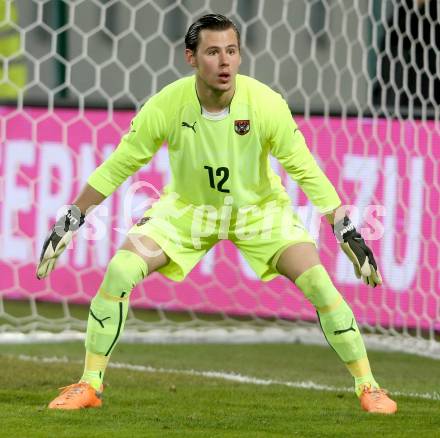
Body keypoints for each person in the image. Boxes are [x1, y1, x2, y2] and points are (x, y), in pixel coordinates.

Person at [37, 14, 397, 414]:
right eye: (212, 52)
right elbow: (119, 163)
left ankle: (370, 387)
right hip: (187, 209)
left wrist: (344, 228)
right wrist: (74, 215)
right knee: (121, 270)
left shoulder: (264, 104)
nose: (225, 62)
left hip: (259, 211)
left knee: (319, 284)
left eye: (231, 51)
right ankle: (89, 384)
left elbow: (305, 169)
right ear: (190, 57)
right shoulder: (168, 104)